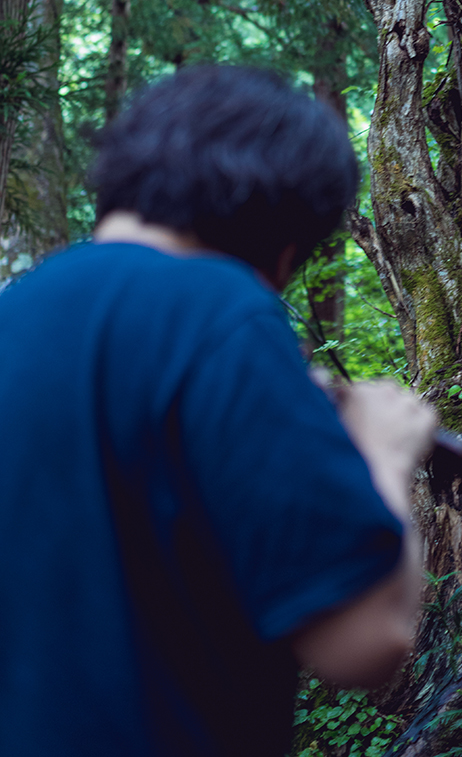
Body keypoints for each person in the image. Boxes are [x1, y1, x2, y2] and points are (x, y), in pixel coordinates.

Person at [0, 64, 437, 757]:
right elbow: (363, 642)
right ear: (287, 235)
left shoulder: (17, 311)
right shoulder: (221, 310)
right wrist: (384, 447)